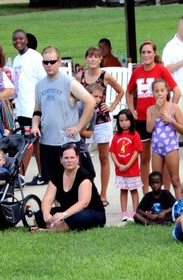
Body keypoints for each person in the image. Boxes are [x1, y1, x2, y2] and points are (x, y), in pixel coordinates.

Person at [32, 47, 96, 186]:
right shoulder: (39, 85)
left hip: (67, 142)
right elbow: (37, 110)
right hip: (47, 142)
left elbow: (90, 101)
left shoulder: (69, 82)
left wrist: (79, 126)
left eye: (52, 62)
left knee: (72, 181)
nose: (49, 65)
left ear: (59, 62)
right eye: (46, 62)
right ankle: (58, 208)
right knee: (53, 182)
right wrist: (35, 125)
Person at [126, 40, 180, 194]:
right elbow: (128, 92)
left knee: (164, 158)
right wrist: (132, 110)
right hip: (143, 119)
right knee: (144, 158)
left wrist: (170, 110)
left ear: (155, 53)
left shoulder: (161, 69)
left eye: (149, 52)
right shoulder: (137, 71)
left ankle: (167, 192)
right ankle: (146, 192)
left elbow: (176, 91)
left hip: (161, 120)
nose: (146, 55)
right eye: (143, 52)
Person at [76, 47, 125, 206]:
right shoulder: (80, 76)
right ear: (86, 59)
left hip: (102, 120)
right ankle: (86, 192)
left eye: (96, 57)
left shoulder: (105, 76)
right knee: (81, 156)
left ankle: (103, 194)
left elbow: (120, 91)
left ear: (100, 60)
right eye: (90, 57)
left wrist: (111, 107)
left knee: (104, 157)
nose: (92, 60)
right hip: (84, 120)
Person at [31, 143, 105, 232]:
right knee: (39, 215)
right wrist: (46, 214)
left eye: (72, 158)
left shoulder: (84, 176)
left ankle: (49, 230)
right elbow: (48, 199)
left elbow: (83, 203)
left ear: (77, 159)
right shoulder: (57, 174)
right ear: (61, 159)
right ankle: (58, 226)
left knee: (78, 218)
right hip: (67, 211)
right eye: (66, 158)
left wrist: (64, 214)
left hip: (90, 211)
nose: (69, 161)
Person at [11, 29, 46, 185]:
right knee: (35, 142)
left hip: (33, 107)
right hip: (21, 106)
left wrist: (41, 106)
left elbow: (43, 80)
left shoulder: (35, 57)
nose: (18, 41)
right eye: (15, 39)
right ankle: (42, 174)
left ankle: (20, 176)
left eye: (21, 38)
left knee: (27, 142)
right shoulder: (17, 60)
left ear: (26, 40)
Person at [146, 78, 183, 198]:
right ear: (153, 93)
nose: (159, 93)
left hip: (171, 147)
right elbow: (149, 129)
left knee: (175, 179)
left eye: (162, 90)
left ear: (167, 91)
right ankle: (159, 208)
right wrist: (156, 110)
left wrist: (171, 121)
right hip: (156, 148)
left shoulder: (173, 108)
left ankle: (179, 206)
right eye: (156, 91)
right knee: (156, 180)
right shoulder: (151, 109)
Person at [109, 109, 143, 222]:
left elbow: (136, 152)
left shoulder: (135, 135)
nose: (124, 123)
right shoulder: (116, 136)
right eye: (121, 120)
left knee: (133, 190)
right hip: (120, 170)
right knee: (123, 190)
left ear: (131, 121)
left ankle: (135, 212)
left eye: (126, 120)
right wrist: (118, 164)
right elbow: (112, 152)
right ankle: (124, 212)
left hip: (132, 170)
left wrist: (127, 165)